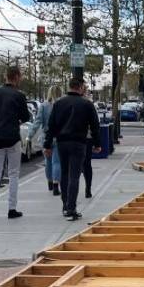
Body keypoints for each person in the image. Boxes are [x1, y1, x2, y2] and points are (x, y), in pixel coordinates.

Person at [43, 79, 101, 221]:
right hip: (79, 142)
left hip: (62, 143)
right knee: (74, 175)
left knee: (64, 173)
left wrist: (47, 145)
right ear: (80, 87)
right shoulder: (87, 104)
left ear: (69, 87)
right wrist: (97, 143)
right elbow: (94, 125)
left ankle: (65, 205)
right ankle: (71, 208)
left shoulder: (58, 104)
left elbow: (51, 126)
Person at [0, 66, 31, 222]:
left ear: (5, 76)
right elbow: (26, 116)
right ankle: (12, 209)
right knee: (13, 173)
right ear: (16, 77)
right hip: (12, 137)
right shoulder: (19, 96)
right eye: (20, 76)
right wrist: (17, 121)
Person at [31, 85, 62, 196]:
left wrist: (29, 136)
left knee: (48, 162)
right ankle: (55, 184)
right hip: (58, 137)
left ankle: (49, 181)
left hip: (46, 137)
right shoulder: (61, 105)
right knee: (57, 162)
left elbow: (37, 122)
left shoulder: (43, 106)